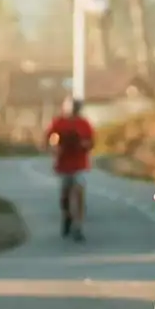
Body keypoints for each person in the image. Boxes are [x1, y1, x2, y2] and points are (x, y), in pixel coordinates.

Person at [46, 97, 94, 241]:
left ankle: (78, 226)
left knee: (79, 193)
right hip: (64, 164)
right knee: (65, 195)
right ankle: (67, 216)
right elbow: (48, 139)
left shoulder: (84, 124)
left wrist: (83, 144)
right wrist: (55, 147)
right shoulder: (58, 122)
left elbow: (91, 142)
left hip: (79, 164)